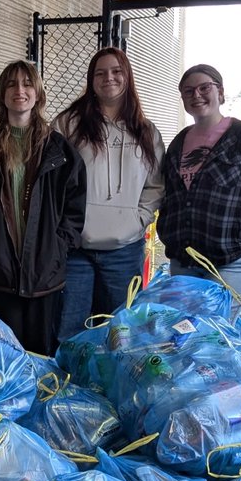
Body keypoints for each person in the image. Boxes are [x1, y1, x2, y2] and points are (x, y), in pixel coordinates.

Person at [0, 60, 86, 355]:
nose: (20, 90)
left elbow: (76, 206)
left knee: (41, 354)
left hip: (44, 274)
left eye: (27, 84)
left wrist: (59, 244)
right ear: (2, 93)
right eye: (12, 84)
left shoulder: (59, 150)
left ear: (38, 94)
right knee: (4, 353)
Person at [55, 47, 165, 338]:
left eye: (117, 71)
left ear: (127, 76)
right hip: (76, 250)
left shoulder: (146, 131)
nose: (109, 78)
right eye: (100, 72)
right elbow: (51, 181)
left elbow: (156, 185)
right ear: (91, 80)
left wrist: (138, 218)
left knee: (120, 333)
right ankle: (67, 384)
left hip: (125, 250)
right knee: (69, 331)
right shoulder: (67, 124)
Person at [158, 63, 241, 298]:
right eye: (188, 91)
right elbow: (169, 194)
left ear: (220, 92)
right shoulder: (179, 142)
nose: (196, 95)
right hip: (184, 259)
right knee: (183, 331)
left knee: (216, 331)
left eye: (204, 87)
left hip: (231, 260)